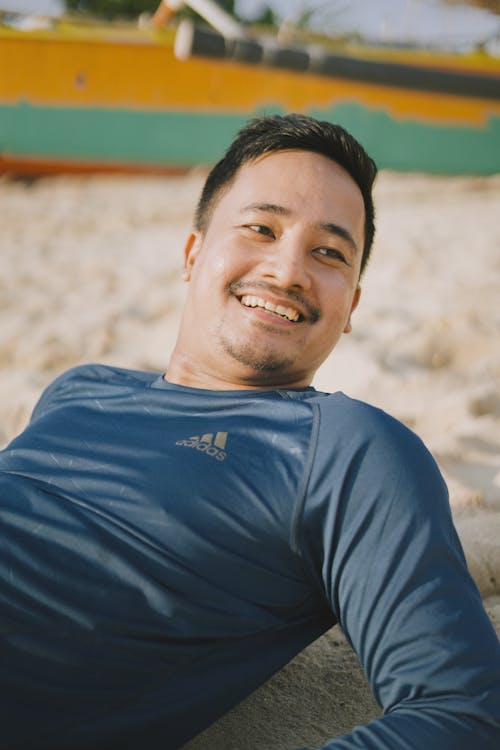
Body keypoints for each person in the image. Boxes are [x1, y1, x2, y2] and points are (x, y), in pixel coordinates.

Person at [1, 113, 499, 750]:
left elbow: (459, 712)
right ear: (193, 253)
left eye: (329, 253)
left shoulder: (347, 449)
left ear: (350, 306)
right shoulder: (79, 390)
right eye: (261, 228)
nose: (288, 270)